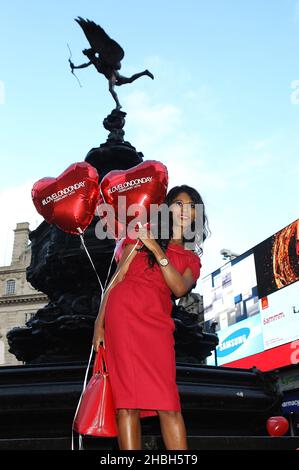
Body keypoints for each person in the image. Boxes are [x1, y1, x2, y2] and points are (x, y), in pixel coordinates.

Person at [92, 185, 210, 450]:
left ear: (196, 216)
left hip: (157, 323)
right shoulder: (140, 238)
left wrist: (157, 251)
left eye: (191, 206)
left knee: (168, 403)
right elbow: (116, 279)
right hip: (122, 315)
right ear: (167, 209)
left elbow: (179, 288)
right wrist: (98, 324)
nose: (184, 210)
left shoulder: (191, 258)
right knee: (126, 404)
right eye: (178, 204)